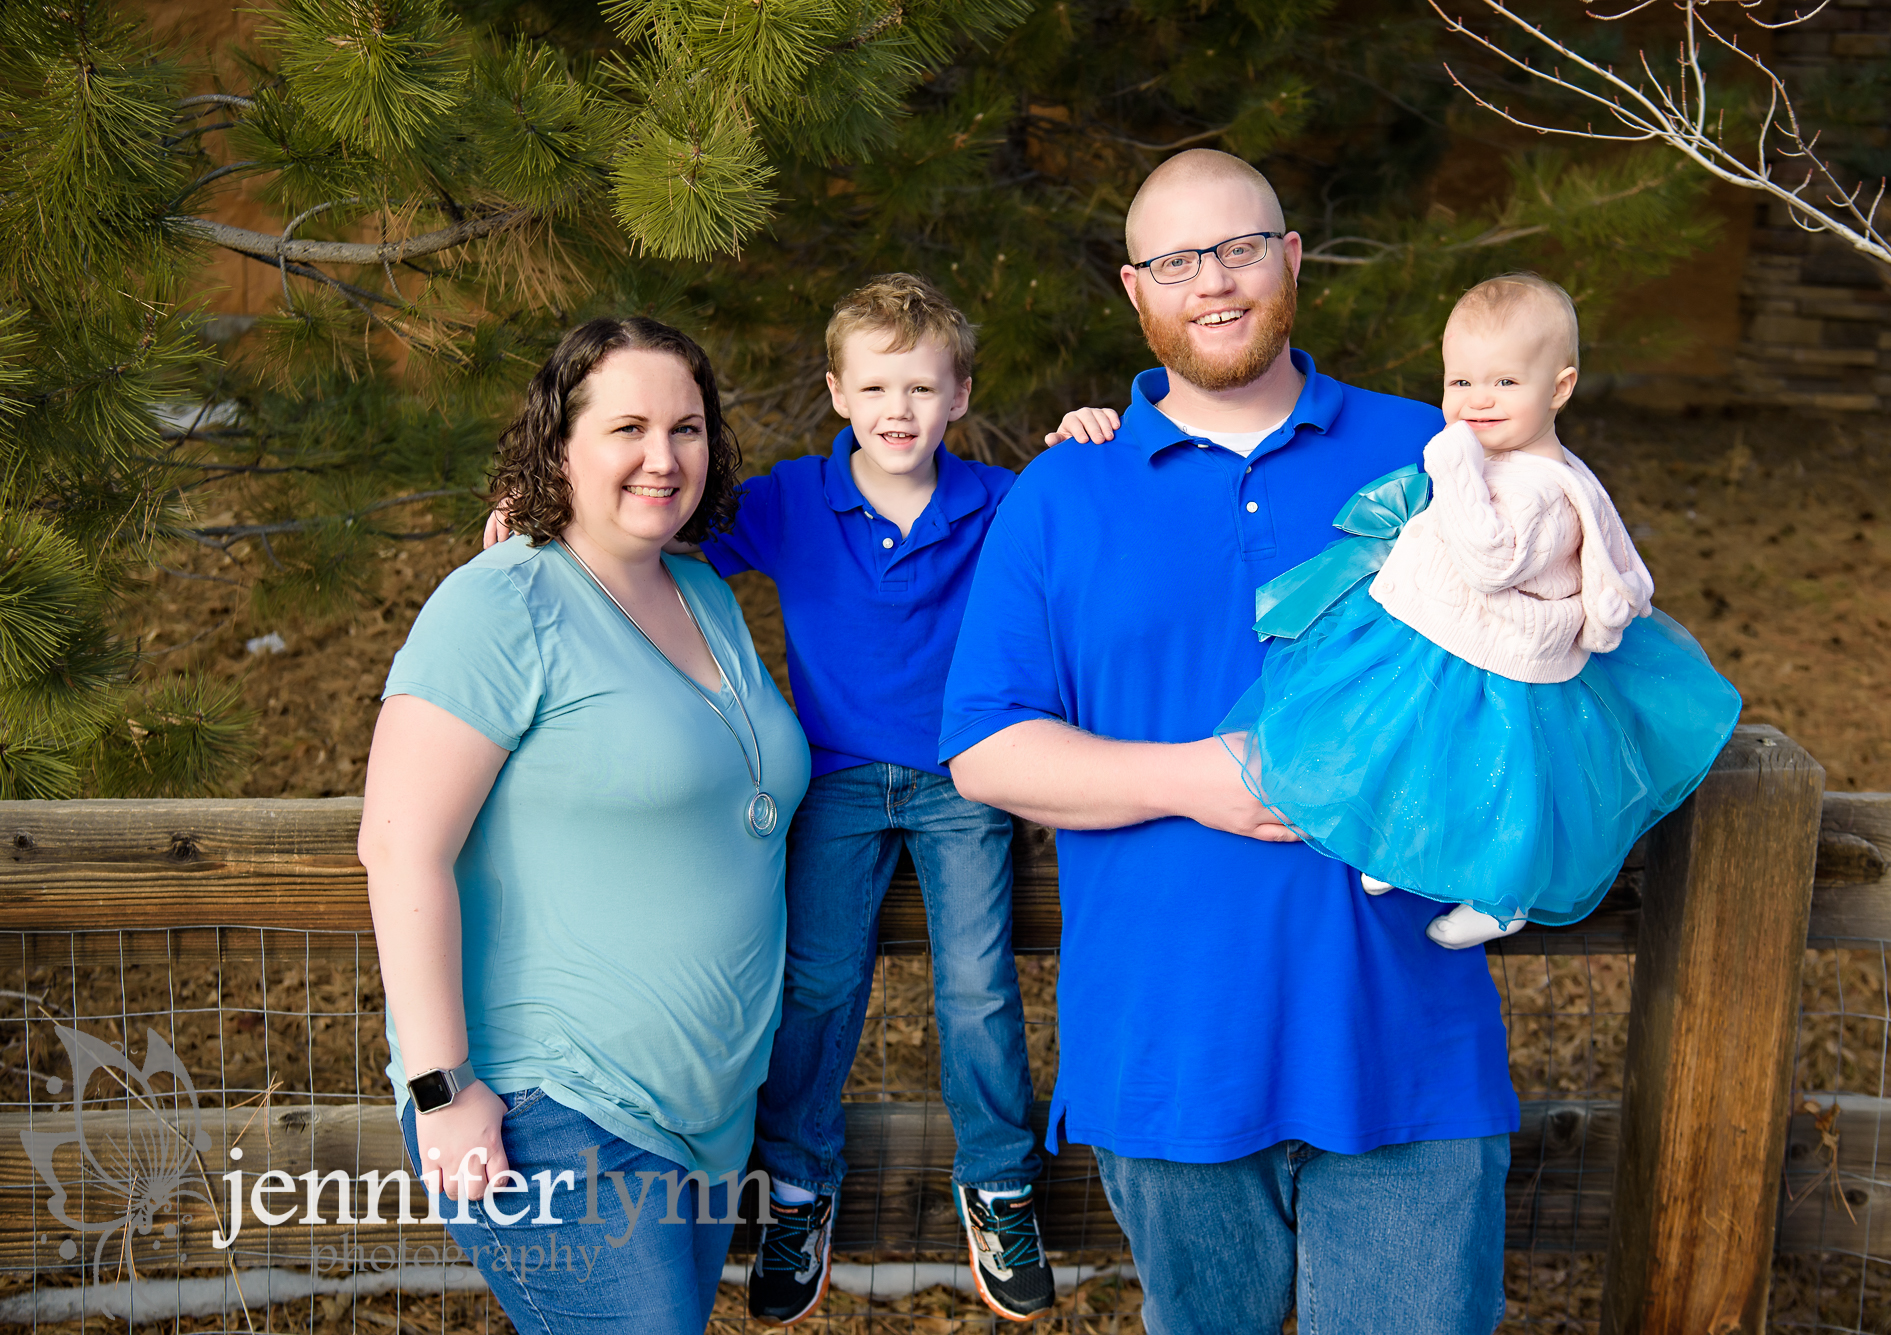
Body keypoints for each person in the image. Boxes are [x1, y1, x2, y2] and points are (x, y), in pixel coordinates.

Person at [942, 149, 1519, 1333]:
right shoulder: (1064, 493)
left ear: (1291, 259)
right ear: (1133, 289)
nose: (1213, 281)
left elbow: (1551, 675)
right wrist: (1194, 780)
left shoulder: (1432, 456)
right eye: (1175, 259)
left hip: (1404, 1037)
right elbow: (985, 751)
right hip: (1167, 1049)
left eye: (1241, 247)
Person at [483, 275, 1052, 1326]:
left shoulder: (1004, 504)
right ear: (836, 390)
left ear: (960, 395)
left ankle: (997, 1179)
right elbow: (661, 527)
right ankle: (798, 1186)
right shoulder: (793, 498)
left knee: (975, 982)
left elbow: (1094, 530)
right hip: (833, 776)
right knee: (819, 984)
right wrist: (546, 515)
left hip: (965, 775)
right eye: (874, 386)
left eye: (922, 388)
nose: (897, 411)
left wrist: (1093, 435)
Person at [359, 317, 810, 1334]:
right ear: (558, 444)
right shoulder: (499, 602)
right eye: (628, 428)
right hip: (548, 1108)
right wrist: (442, 1089)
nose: (663, 457)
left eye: (687, 428)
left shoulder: (701, 591)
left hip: (702, 1117)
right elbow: (398, 844)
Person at [1213, 273, 1742, 948]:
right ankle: (1398, 841)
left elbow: (1493, 558)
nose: (1477, 401)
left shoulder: (1543, 491)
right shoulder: (1502, 454)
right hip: (1443, 633)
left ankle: (1502, 894)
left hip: (1500, 658)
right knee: (1414, 739)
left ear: (1560, 387)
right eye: (1460, 383)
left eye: (1504, 383)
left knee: (1498, 777)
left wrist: (1453, 463)